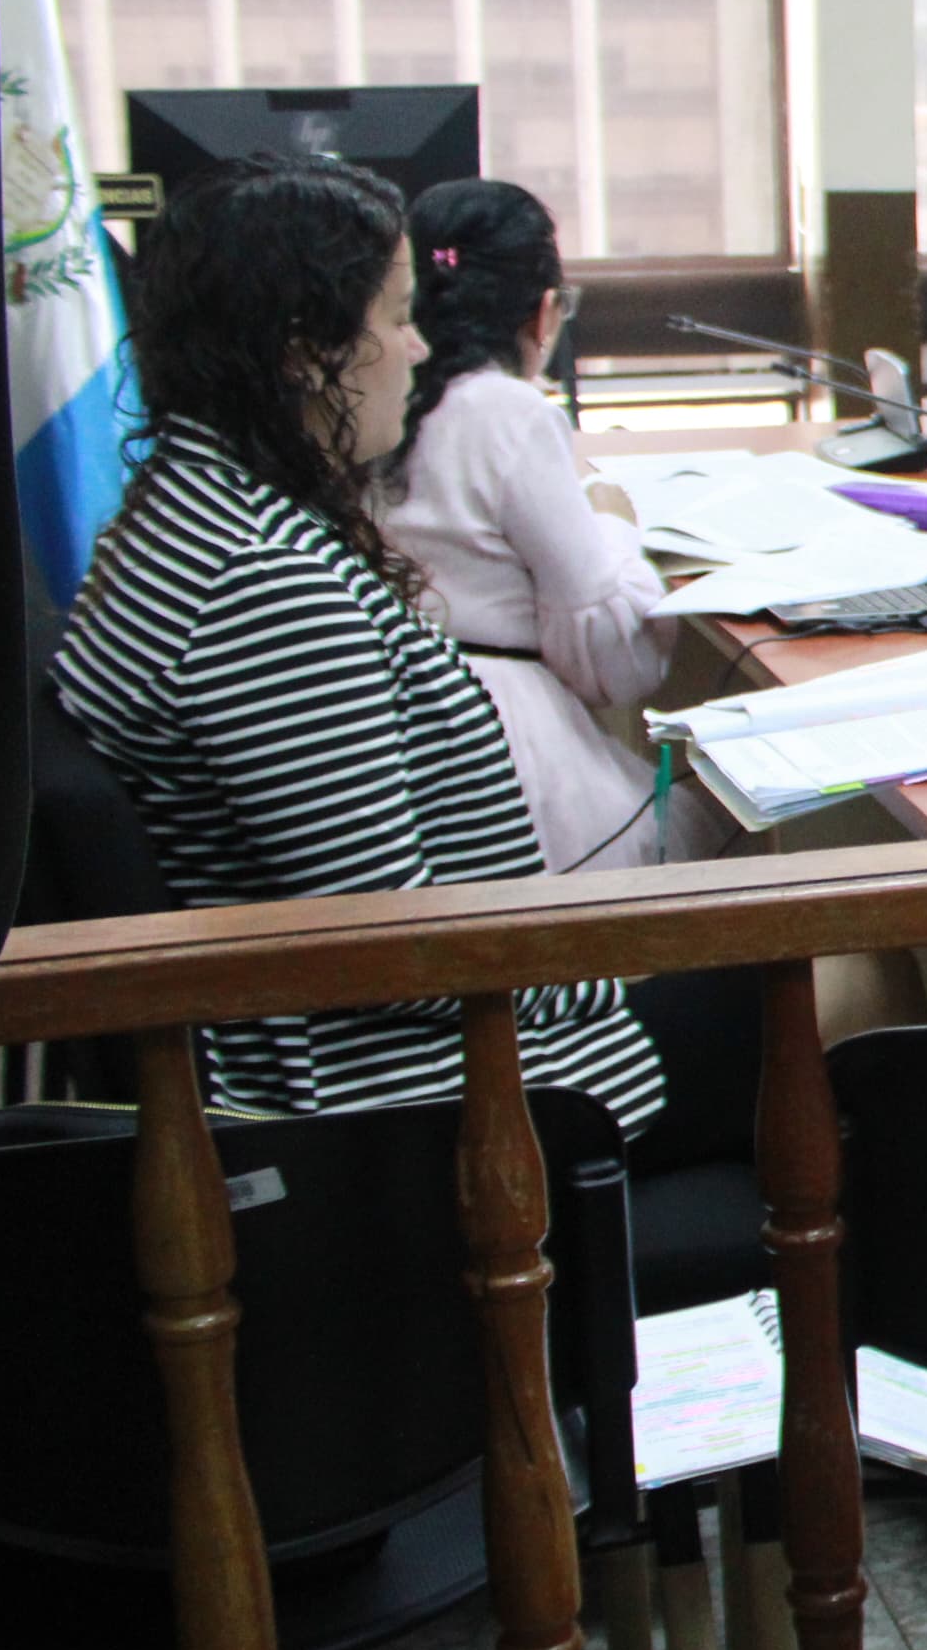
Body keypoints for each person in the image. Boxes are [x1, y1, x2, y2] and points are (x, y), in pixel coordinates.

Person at [50, 156, 663, 1129]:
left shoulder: (186, 504)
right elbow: (392, 943)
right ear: (305, 352)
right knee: (865, 980)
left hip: (461, 1031)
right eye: (395, 316)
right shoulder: (261, 586)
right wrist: (580, 951)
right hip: (448, 1093)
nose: (420, 349)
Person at [375, 180, 711, 873]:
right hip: (509, 764)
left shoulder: (380, 406)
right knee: (720, 825)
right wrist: (614, 526)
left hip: (406, 752)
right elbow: (613, 662)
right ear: (544, 312)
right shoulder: (507, 413)